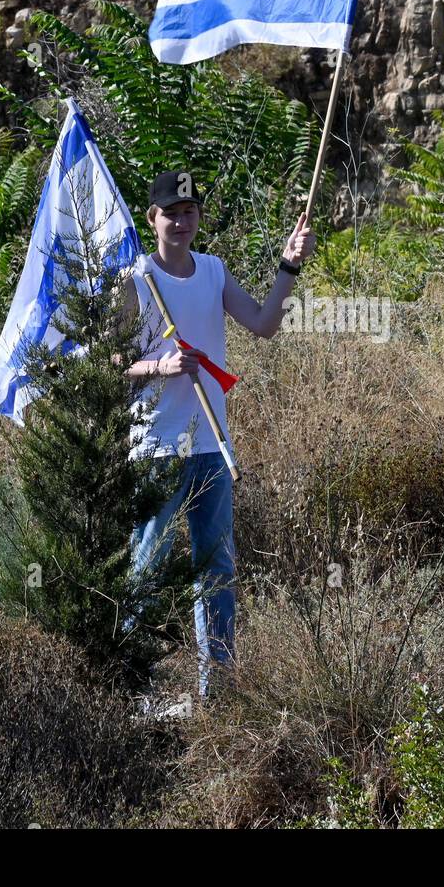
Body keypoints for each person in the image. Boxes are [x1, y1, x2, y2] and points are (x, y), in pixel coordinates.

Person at [116, 169, 313, 698]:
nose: (181, 221)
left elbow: (265, 323)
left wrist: (288, 265)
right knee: (148, 565)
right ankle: (137, 692)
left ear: (199, 217)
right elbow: (106, 361)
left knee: (217, 570)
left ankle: (218, 692)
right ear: (152, 218)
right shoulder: (136, 280)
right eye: (171, 212)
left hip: (211, 442)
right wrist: (158, 368)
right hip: (156, 445)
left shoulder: (214, 270)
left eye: (189, 211)